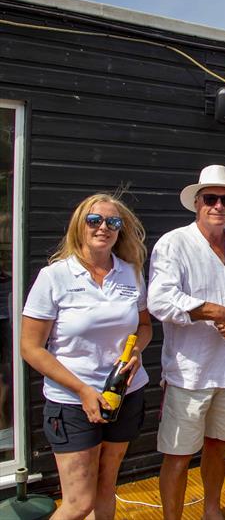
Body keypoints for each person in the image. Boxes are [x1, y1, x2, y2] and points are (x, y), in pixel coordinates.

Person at [21, 194, 151, 520]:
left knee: (107, 489)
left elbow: (145, 325)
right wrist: (82, 390)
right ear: (80, 226)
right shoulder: (55, 277)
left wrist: (135, 352)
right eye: (94, 221)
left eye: (113, 222)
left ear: (121, 230)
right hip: (72, 402)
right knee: (79, 502)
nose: (103, 227)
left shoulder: (131, 273)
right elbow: (30, 347)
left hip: (125, 394)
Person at [148, 165, 225, 520]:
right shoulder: (173, 243)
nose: (219, 206)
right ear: (197, 202)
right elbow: (160, 301)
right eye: (211, 198)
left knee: (218, 446)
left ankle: (212, 511)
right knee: (178, 454)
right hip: (188, 372)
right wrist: (215, 312)